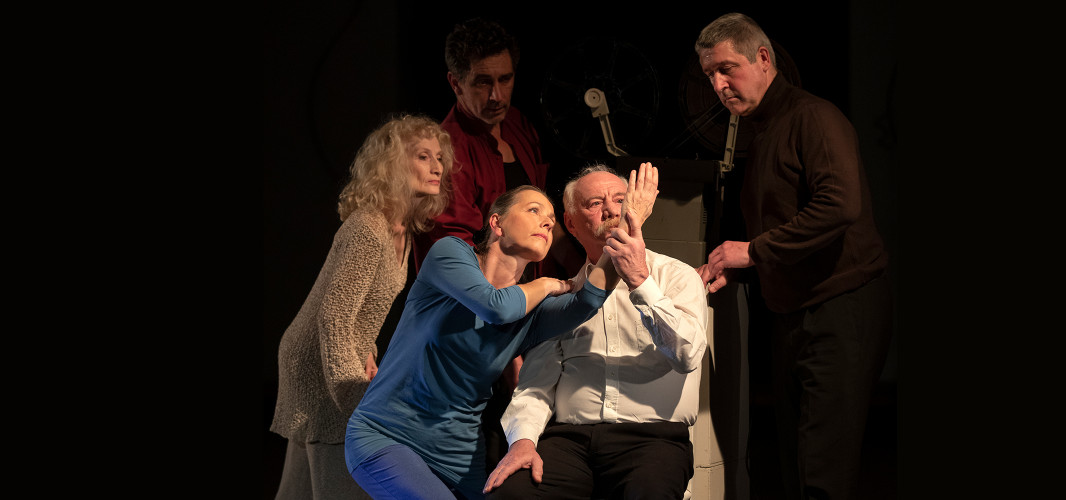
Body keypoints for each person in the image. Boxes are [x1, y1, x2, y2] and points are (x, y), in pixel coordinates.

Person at [344, 164, 660, 500]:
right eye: (534, 210)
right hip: (387, 436)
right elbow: (494, 306)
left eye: (551, 220)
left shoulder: (532, 313)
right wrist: (545, 284)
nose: (546, 222)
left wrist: (631, 222)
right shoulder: (450, 253)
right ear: (497, 223)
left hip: (459, 456)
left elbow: (589, 300)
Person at [694, 13, 893, 500]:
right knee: (796, 467)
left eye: (727, 69)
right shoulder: (763, 128)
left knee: (822, 474)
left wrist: (753, 252)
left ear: (763, 58)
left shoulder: (812, 117)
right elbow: (781, 221)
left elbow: (839, 205)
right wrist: (737, 269)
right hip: (794, 314)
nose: (718, 86)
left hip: (838, 308)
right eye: (710, 75)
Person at [412, 16, 584, 474]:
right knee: (483, 454)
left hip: (523, 314)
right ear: (455, 83)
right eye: (481, 82)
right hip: (477, 328)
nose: (496, 95)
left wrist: (582, 270)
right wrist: (511, 352)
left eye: (505, 80)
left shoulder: (519, 126)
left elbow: (546, 223)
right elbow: (466, 268)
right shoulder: (449, 150)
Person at [480, 164, 705, 499]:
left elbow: (686, 356)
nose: (611, 210)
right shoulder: (564, 296)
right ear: (570, 223)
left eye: (620, 200)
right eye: (595, 203)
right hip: (569, 440)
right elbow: (535, 385)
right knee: (510, 493)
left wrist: (640, 280)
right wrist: (523, 442)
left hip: (652, 439)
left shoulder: (676, 276)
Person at [270, 114, 454, 500]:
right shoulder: (369, 227)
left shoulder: (400, 230)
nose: (437, 166)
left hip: (334, 355)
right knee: (340, 481)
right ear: (393, 164)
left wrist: (367, 351)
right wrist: (355, 398)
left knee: (299, 489)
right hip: (318, 363)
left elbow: (360, 312)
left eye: (439, 157)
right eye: (423, 156)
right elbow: (335, 317)